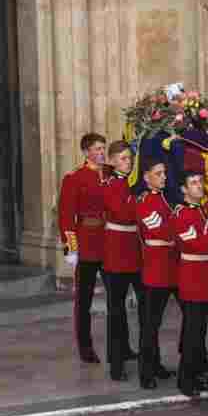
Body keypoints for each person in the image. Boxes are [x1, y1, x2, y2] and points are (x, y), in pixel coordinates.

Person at [172, 170, 208, 407]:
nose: (199, 186)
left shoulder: (205, 209)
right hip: (194, 279)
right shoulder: (181, 214)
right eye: (193, 183)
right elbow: (196, 245)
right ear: (184, 189)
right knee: (194, 334)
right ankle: (186, 379)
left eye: (200, 182)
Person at [58, 132, 108, 364]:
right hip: (87, 242)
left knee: (115, 298)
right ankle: (85, 347)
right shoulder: (74, 178)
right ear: (86, 151)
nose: (101, 152)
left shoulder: (109, 174)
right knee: (84, 300)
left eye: (102, 148)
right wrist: (72, 248)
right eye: (97, 149)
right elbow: (67, 216)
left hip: (109, 242)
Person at [136, 158, 180, 389]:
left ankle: (157, 364)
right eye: (158, 173)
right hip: (156, 269)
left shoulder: (163, 198)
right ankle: (146, 371)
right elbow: (161, 230)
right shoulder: (144, 202)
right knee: (151, 324)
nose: (163, 177)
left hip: (173, 267)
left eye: (164, 173)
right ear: (146, 177)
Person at [103, 140, 144, 381]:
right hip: (117, 252)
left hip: (133, 252)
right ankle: (116, 364)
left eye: (129, 158)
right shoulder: (112, 184)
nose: (127, 163)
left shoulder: (127, 184)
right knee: (116, 311)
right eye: (122, 159)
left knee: (144, 308)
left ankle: (135, 354)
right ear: (111, 161)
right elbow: (122, 213)